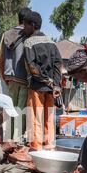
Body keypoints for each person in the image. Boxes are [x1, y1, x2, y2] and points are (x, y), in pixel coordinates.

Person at [23, 11, 63, 151]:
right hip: (52, 89)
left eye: (25, 25)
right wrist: (56, 84)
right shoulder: (51, 41)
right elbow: (58, 63)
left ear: (32, 25)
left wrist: (46, 81)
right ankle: (50, 148)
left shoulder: (28, 42)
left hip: (37, 87)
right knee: (49, 118)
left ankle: (37, 149)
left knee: (35, 119)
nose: (24, 28)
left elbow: (32, 66)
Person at [0, 8, 32, 141]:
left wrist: (4, 76)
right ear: (26, 21)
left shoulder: (6, 34)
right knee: (21, 112)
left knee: (11, 110)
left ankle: (9, 139)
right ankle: (16, 141)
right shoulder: (27, 34)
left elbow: (0, 58)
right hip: (23, 78)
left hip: (10, 78)